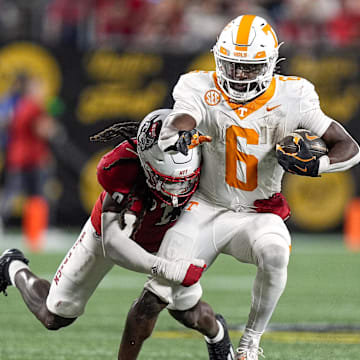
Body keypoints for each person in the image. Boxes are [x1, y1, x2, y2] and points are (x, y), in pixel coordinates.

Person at [118, 14, 360, 360]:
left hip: (256, 213)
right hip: (204, 207)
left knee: (276, 250)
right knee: (151, 300)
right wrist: (176, 128)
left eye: (248, 68)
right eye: (231, 66)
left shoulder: (294, 94)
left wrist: (318, 164)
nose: (238, 75)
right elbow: (184, 115)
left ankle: (250, 344)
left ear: (270, 64)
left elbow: (349, 146)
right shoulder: (197, 85)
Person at [0, 109, 207, 352]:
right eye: (164, 178)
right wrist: (165, 268)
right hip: (108, 237)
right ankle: (12, 266)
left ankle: (222, 341)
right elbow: (113, 244)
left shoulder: (209, 158)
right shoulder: (121, 166)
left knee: (188, 309)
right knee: (55, 315)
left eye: (183, 179)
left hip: (163, 235)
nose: (175, 189)